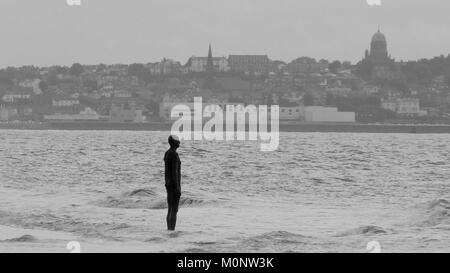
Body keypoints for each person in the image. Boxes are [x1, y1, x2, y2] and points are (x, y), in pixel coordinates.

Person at [164, 135, 181, 231]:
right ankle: (172, 230)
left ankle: (169, 229)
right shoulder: (174, 154)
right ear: (174, 143)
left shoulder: (167, 153)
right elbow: (174, 171)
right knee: (174, 209)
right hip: (174, 185)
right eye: (178, 141)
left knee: (170, 208)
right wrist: (177, 187)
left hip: (168, 184)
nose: (179, 143)